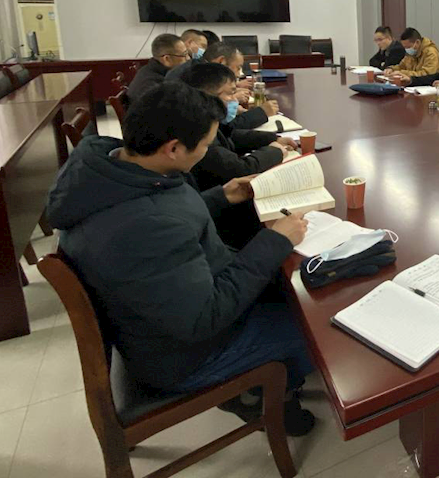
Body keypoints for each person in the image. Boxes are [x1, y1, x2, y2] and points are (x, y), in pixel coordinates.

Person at [47, 82, 316, 434]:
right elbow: (204, 318)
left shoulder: (114, 170)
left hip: (161, 318)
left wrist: (221, 196)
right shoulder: (147, 225)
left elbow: (163, 214)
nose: (207, 152)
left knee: (288, 283)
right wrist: (274, 241)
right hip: (187, 355)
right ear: (173, 148)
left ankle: (270, 383)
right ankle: (269, 399)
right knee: (314, 326)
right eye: (205, 145)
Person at [183, 63, 297, 195]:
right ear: (208, 96)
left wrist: (272, 138)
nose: (234, 100)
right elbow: (241, 170)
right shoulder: (199, 131)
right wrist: (275, 151)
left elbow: (230, 135)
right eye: (231, 93)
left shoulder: (205, 119)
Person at [126, 33, 189, 103]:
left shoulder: (154, 70)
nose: (188, 58)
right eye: (184, 54)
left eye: (187, 53)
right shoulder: (153, 86)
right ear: (167, 59)